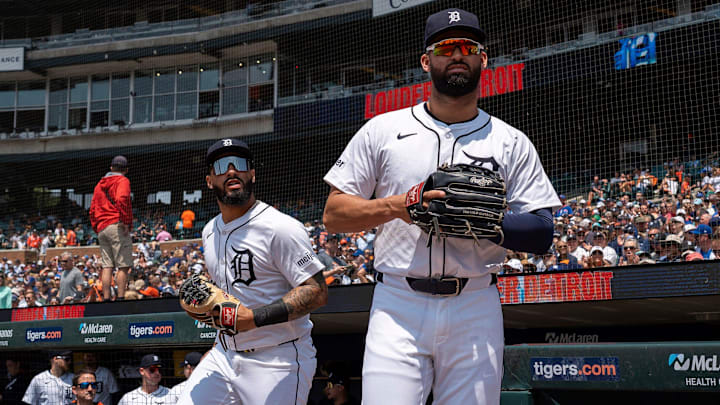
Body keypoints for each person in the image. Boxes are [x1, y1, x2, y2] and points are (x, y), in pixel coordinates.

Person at [322, 9, 559, 404]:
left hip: (475, 303)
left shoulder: (510, 141)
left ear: (483, 59)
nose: (457, 55)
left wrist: (484, 221)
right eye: (446, 47)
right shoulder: (383, 130)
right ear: (426, 60)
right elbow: (334, 214)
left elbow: (542, 231)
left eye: (468, 47)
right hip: (398, 303)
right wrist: (399, 206)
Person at [177, 139, 328, 405]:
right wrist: (216, 346)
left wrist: (253, 318)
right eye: (223, 166)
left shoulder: (281, 227)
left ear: (252, 174)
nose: (232, 171)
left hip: (277, 359)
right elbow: (229, 298)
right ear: (210, 180)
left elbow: (316, 292)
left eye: (241, 164)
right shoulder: (209, 231)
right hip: (224, 355)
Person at [89, 155, 132, 301]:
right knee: (123, 265)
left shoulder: (99, 184)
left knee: (107, 266)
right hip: (116, 224)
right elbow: (122, 199)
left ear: (111, 168)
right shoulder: (122, 180)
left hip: (102, 227)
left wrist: (97, 227)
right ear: (126, 170)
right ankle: (120, 298)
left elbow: (92, 209)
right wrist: (126, 221)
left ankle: (106, 299)